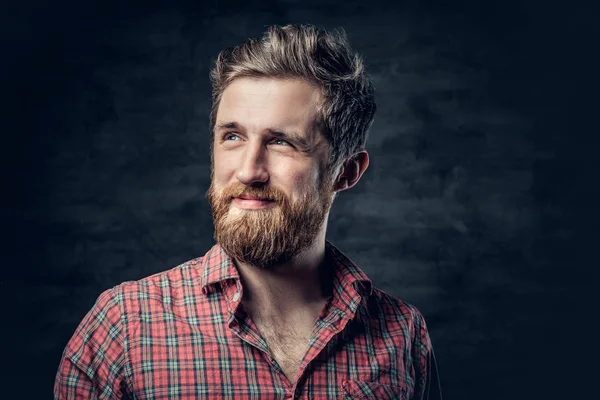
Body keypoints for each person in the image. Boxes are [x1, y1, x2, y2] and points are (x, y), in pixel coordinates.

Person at [54, 24, 442, 399]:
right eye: (233, 137)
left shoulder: (401, 332)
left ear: (346, 171)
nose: (248, 170)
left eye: (281, 142)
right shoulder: (122, 327)